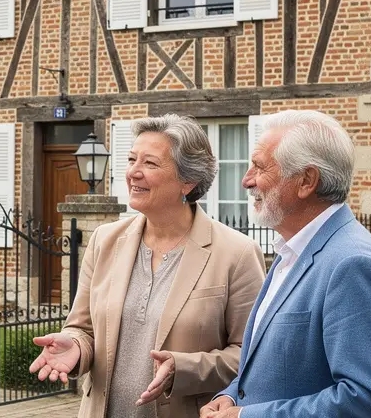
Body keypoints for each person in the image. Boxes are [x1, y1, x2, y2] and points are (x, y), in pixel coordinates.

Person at [29, 114, 267, 418]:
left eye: (150, 163)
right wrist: (75, 346)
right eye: (132, 160)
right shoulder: (105, 240)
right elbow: (83, 328)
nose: (133, 172)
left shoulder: (237, 253)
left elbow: (252, 356)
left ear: (188, 181)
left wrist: (184, 368)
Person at [201, 110, 371, 418]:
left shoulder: (353, 264)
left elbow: (368, 403)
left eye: (260, 166)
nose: (246, 180)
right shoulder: (293, 249)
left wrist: (246, 416)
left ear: (306, 181)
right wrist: (231, 396)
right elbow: (274, 369)